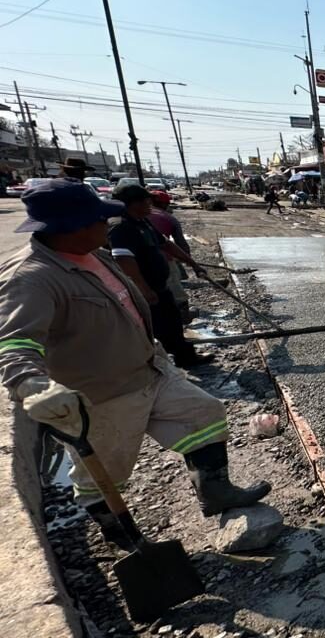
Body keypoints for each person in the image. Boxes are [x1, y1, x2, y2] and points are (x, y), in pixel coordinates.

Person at [0, 180, 270, 550]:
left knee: (203, 412)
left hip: (150, 370)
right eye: (99, 219)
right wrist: (31, 384)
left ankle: (216, 492)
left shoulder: (96, 254)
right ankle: (127, 541)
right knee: (105, 473)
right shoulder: (31, 279)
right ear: (72, 227)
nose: (106, 225)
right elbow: (14, 344)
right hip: (102, 394)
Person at [109, 184, 211, 369]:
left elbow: (167, 245)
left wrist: (194, 265)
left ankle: (185, 358)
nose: (150, 205)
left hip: (159, 286)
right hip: (140, 291)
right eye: (146, 201)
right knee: (152, 329)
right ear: (133, 203)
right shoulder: (121, 227)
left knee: (172, 321)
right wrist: (144, 289)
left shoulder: (142, 222)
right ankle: (154, 366)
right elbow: (124, 260)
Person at [146, 190, 195, 322]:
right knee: (175, 287)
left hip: (135, 261)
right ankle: (182, 314)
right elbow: (181, 244)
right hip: (162, 259)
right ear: (164, 204)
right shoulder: (168, 218)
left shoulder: (137, 215)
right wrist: (191, 263)